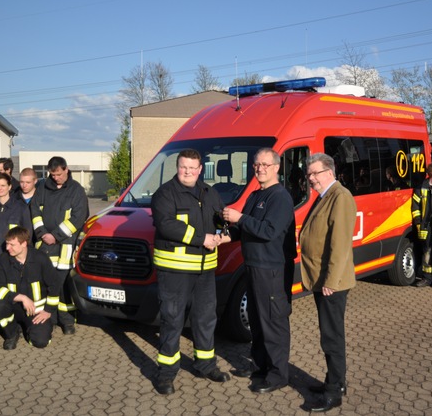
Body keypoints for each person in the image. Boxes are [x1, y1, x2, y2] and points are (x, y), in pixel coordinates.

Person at [150, 149, 230, 396]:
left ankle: (205, 365)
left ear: (200, 169)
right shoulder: (165, 194)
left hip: (205, 271)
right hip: (175, 271)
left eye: (193, 168)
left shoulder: (209, 192)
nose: (188, 172)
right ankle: (166, 373)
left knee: (206, 319)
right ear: (178, 167)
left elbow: (219, 216)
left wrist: (224, 230)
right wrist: (202, 238)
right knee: (172, 320)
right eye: (184, 167)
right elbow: (166, 225)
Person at [222, 148, 296, 394]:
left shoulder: (280, 197)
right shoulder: (255, 195)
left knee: (273, 322)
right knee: (257, 320)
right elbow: (246, 229)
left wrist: (240, 218)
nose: (260, 168)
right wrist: (225, 236)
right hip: (253, 267)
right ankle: (261, 366)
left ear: (276, 167)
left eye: (265, 164)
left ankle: (278, 375)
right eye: (256, 165)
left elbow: (269, 231)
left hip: (271, 270)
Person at [299, 153, 356, 413]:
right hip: (322, 279)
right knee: (329, 334)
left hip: (331, 282)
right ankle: (335, 381)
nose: (311, 179)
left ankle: (334, 392)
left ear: (329, 172)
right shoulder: (325, 196)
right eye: (309, 174)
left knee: (332, 337)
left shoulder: (340, 197)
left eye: (315, 173)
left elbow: (340, 243)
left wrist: (331, 280)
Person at [30, 157, 89, 335]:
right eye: (53, 174)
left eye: (59, 174)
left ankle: (67, 320)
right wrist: (41, 233)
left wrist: (55, 236)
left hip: (64, 246)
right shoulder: (42, 188)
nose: (56, 178)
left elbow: (79, 217)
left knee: (63, 285)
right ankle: (51, 319)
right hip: (44, 245)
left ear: (66, 169)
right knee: (46, 283)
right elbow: (35, 211)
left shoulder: (76, 190)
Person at [0, 227, 60, 350]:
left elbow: (54, 286)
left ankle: (31, 329)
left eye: (12, 244)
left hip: (36, 311)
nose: (7, 248)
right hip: (14, 307)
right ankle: (11, 334)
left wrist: (48, 311)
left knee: (40, 342)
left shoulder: (40, 258)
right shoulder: (2, 261)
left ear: (23, 243)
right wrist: (22, 298)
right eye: (7, 244)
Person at [0, 173, 32, 270]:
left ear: (10, 187)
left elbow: (27, 233)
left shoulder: (21, 207)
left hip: (13, 258)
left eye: (3, 185)